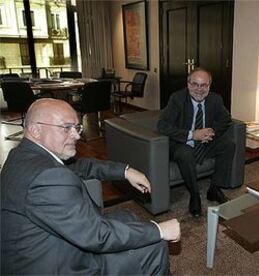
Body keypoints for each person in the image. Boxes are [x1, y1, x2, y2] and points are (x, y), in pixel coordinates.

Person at [1, 98, 180, 275]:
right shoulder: (47, 177)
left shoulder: (24, 155)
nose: (77, 135)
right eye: (66, 128)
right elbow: (98, 236)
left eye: (76, 127)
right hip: (56, 264)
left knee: (128, 217)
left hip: (45, 246)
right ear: (35, 129)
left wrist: (125, 171)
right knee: (154, 245)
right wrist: (159, 230)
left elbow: (80, 166)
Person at [157, 68, 235, 217]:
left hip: (205, 143)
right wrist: (193, 135)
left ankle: (215, 188)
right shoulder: (177, 99)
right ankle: (194, 195)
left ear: (209, 86)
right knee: (185, 152)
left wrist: (211, 131)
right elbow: (162, 126)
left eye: (204, 85)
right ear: (188, 84)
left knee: (228, 144)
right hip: (181, 144)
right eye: (195, 84)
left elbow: (226, 118)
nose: (199, 89)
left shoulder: (215, 99)